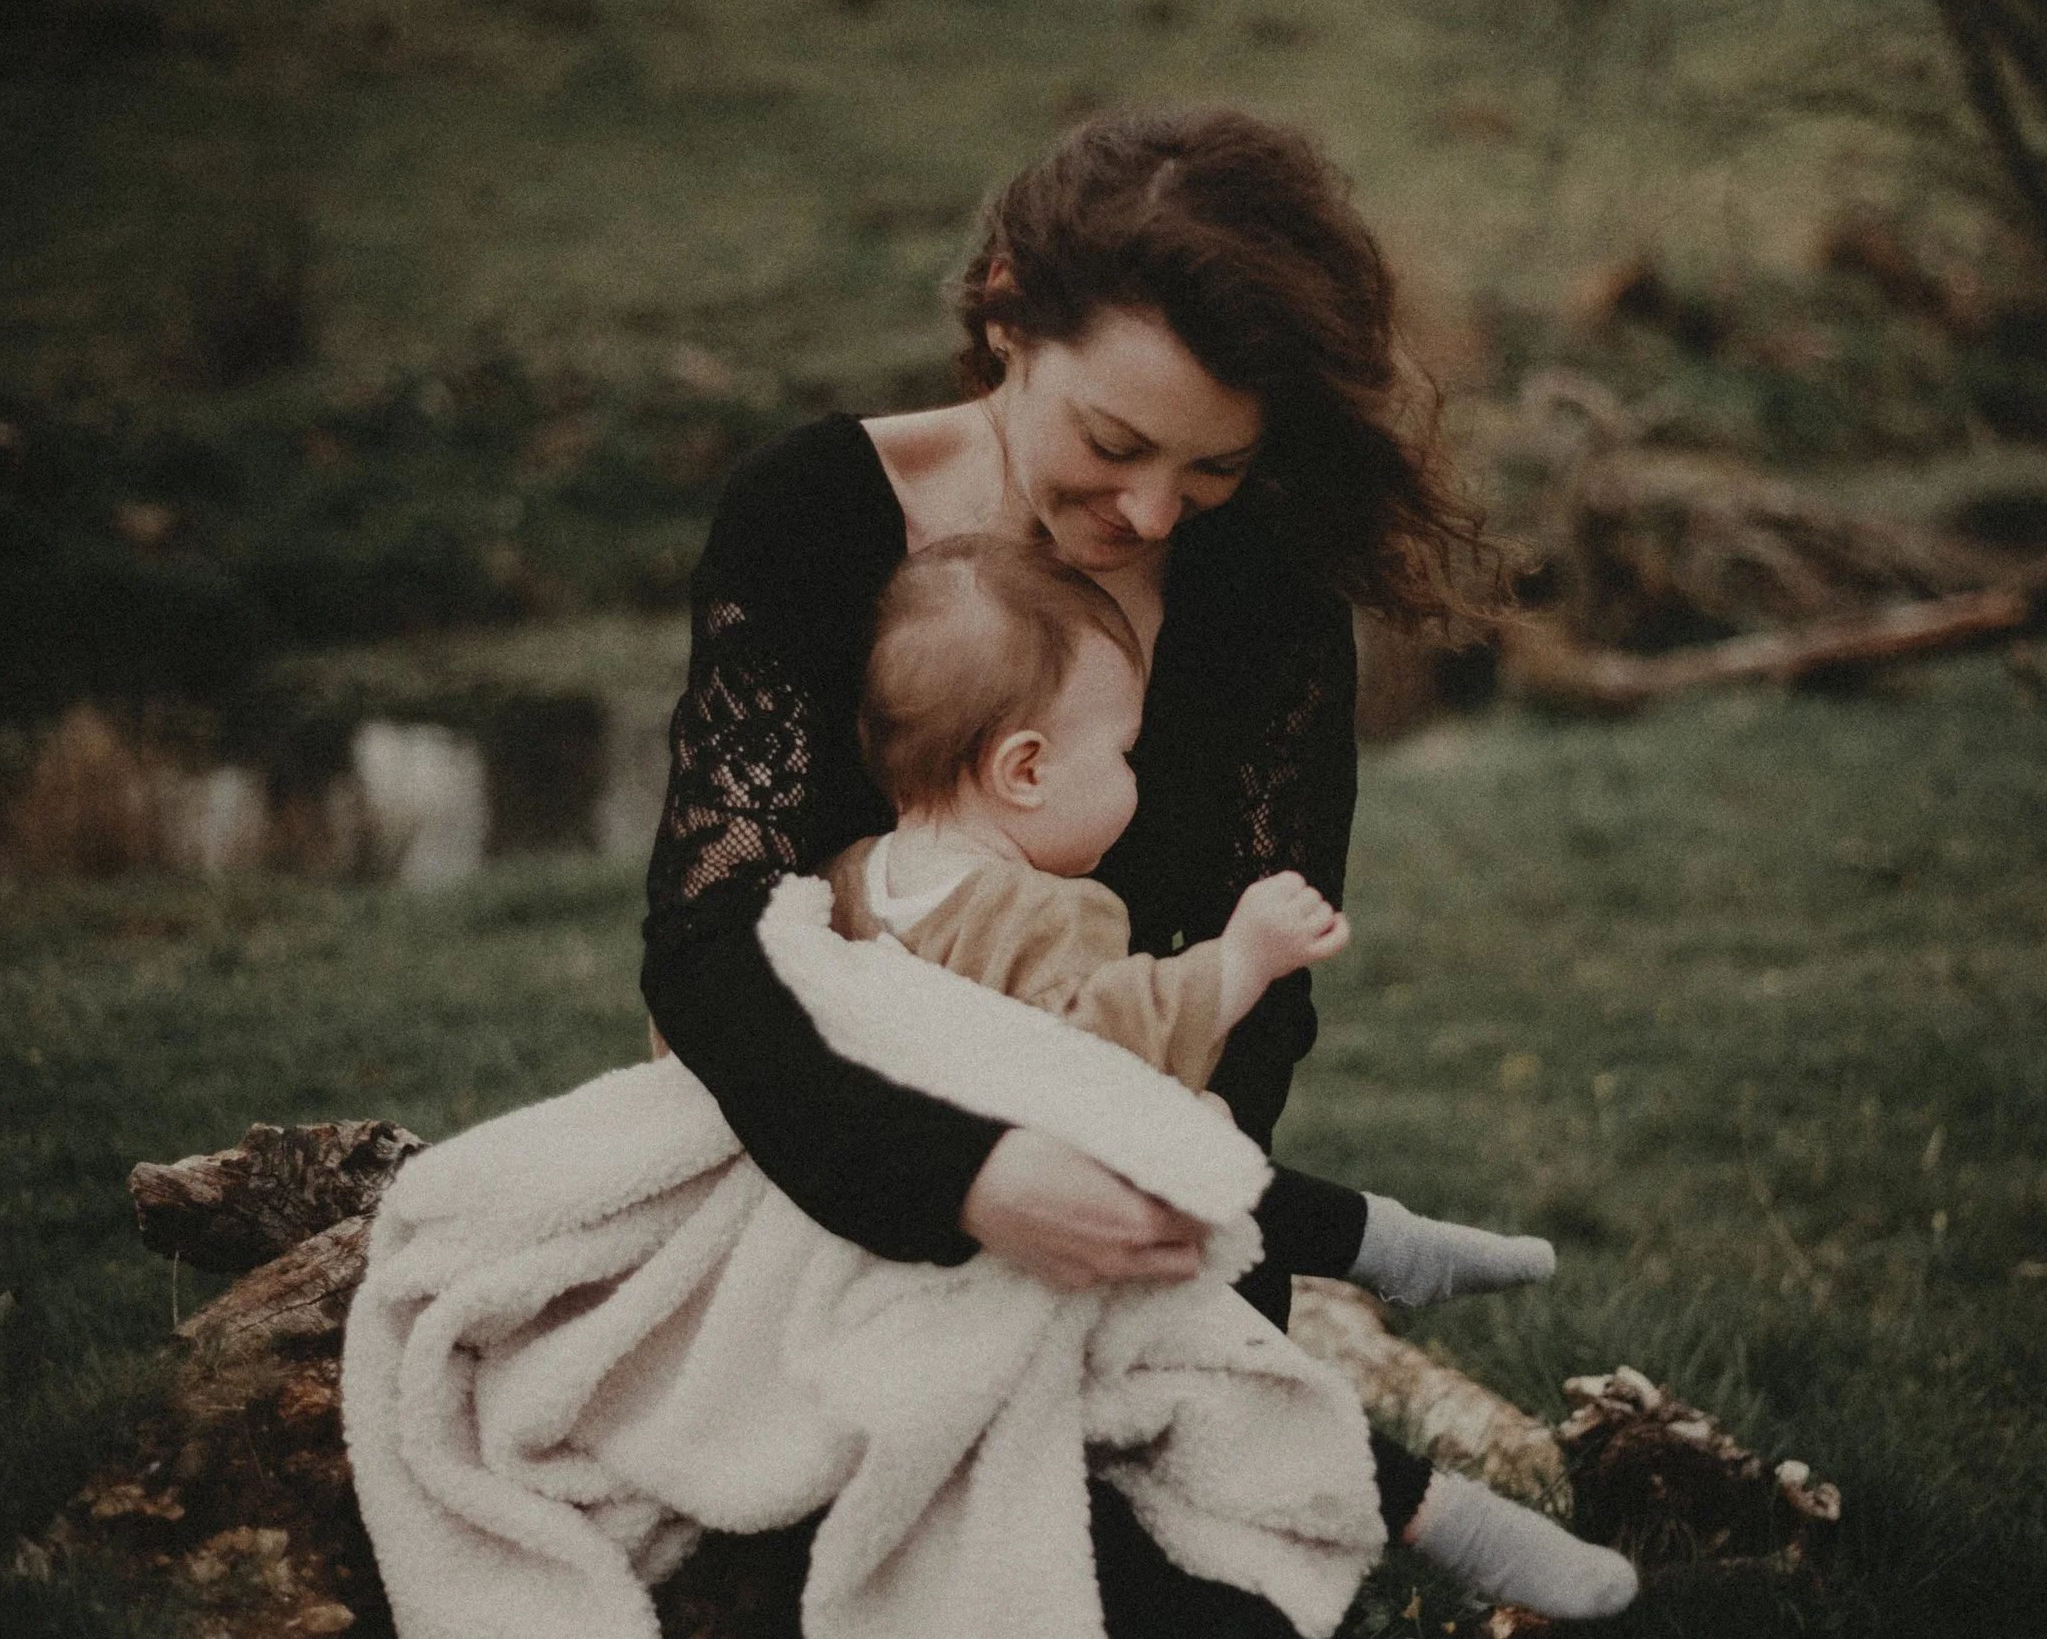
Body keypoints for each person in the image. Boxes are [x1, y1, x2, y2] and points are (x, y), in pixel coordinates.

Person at [641, 107, 1636, 1634]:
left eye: (1215, 466)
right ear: (1005, 316)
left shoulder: (1266, 592)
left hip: (1138, 1232)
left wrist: (1148, 1202)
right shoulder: (811, 516)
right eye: (1113, 445)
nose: (1154, 512)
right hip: (820, 1197)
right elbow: (710, 944)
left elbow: (1265, 996)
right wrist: (967, 1182)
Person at [819, 532, 1636, 1622]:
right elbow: (1093, 1050)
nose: (1133, 778)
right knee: (1244, 1369)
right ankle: (1450, 1466)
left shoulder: (845, 881)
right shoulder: (1042, 912)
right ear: (1025, 770)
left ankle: (1400, 1257)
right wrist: (1238, 960)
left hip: (917, 1244)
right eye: (1122, 752)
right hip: (1027, 1245)